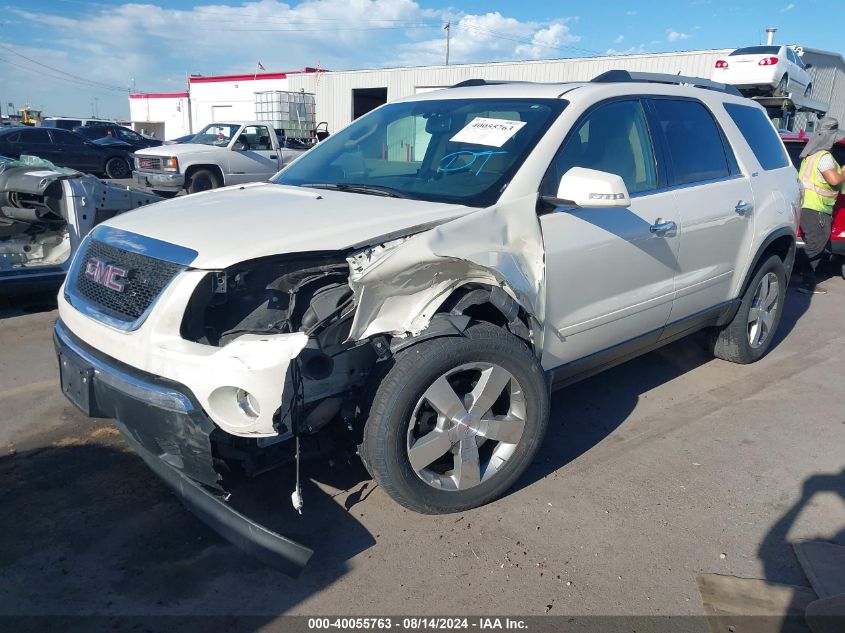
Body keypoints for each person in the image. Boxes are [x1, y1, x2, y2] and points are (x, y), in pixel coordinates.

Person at [795, 117, 845, 294]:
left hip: (807, 206)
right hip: (816, 208)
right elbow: (833, 179)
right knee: (816, 244)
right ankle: (801, 276)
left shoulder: (810, 156)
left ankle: (805, 282)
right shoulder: (824, 157)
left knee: (813, 243)